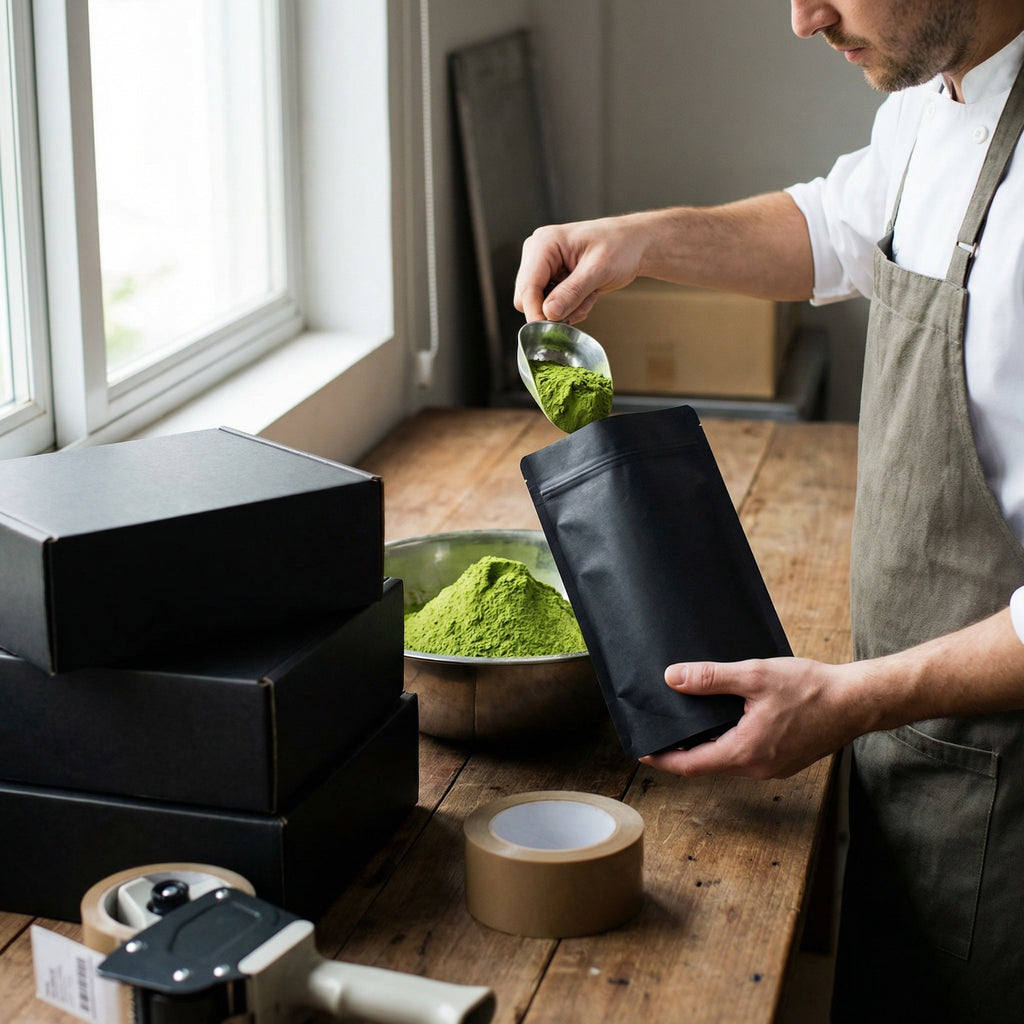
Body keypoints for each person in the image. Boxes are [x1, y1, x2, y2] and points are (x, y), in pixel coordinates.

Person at [514, 2, 1024, 1021]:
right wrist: (631, 240)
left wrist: (858, 697)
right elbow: (838, 227)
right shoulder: (933, 99)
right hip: (914, 743)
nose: (804, 18)